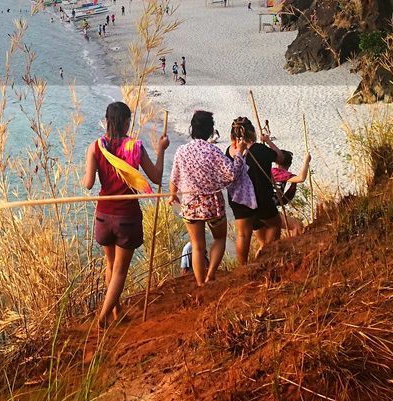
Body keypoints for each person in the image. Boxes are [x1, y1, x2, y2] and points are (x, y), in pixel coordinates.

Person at [83, 101, 168, 329]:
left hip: (103, 214)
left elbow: (88, 183)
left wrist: (89, 163)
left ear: (107, 121)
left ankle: (117, 311)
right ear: (127, 122)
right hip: (126, 217)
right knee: (120, 270)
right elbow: (157, 177)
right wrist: (161, 150)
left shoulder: (95, 147)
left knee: (111, 266)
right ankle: (103, 317)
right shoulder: (135, 147)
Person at [169, 109, 235, 286]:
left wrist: (172, 194)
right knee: (219, 239)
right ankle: (211, 273)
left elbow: (174, 177)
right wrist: (216, 182)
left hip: (190, 204)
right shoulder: (213, 151)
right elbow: (230, 174)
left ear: (192, 128)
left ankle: (200, 283)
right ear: (210, 130)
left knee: (197, 246)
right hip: (212, 203)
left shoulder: (182, 151)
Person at [225, 116, 281, 265]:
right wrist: (268, 142)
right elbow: (281, 158)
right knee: (275, 224)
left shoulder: (229, 151)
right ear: (252, 133)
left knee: (242, 235)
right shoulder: (259, 149)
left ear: (233, 135)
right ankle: (267, 257)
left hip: (238, 199)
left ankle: (243, 267)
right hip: (261, 198)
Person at [271, 148, 312, 235]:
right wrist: (306, 162)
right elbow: (301, 178)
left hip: (258, 209)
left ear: (275, 162)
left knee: (267, 242)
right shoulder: (280, 173)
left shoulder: (270, 171)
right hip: (268, 210)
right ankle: (294, 247)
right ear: (289, 165)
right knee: (297, 225)